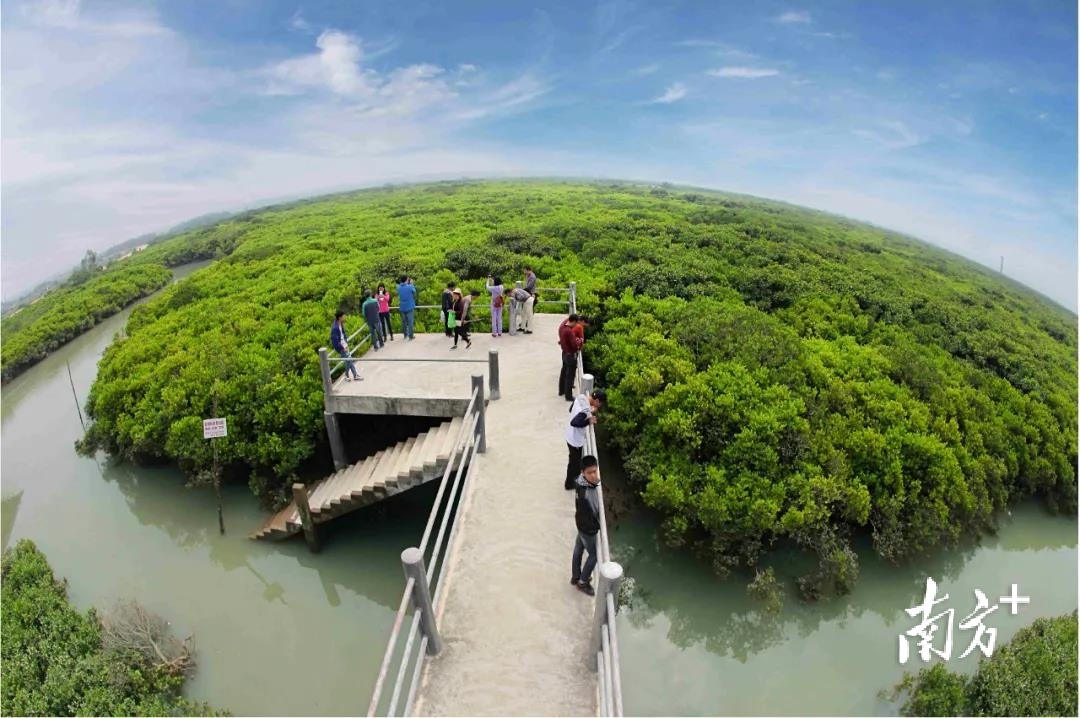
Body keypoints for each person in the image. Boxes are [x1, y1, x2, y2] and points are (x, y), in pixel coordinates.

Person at [571, 454, 602, 595]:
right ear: (583, 472)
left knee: (578, 548)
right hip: (588, 528)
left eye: (595, 471)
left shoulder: (579, 481)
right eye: (590, 473)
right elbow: (597, 511)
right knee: (594, 555)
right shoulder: (589, 492)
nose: (593, 475)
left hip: (580, 522)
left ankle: (575, 576)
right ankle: (582, 582)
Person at [565, 388, 605, 490]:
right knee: (575, 463)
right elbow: (574, 422)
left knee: (574, 461)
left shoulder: (581, 397)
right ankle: (569, 485)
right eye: (600, 404)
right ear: (596, 401)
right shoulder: (585, 410)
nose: (600, 406)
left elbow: (571, 409)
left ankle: (572, 482)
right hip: (575, 441)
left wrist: (588, 412)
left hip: (569, 435)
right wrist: (589, 421)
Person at [330, 310, 361, 381]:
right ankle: (355, 375)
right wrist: (342, 348)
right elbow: (335, 341)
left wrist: (346, 342)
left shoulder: (340, 323)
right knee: (349, 360)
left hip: (344, 344)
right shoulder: (335, 327)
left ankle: (346, 375)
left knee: (348, 361)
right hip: (341, 347)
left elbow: (343, 333)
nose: (345, 317)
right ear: (339, 317)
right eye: (344, 316)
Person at [558, 314, 583, 400]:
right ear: (574, 321)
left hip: (564, 353)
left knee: (563, 372)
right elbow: (575, 345)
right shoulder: (569, 331)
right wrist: (580, 341)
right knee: (570, 376)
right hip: (570, 355)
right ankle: (568, 396)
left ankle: (561, 390)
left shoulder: (562, 326)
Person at [397, 275, 417, 340]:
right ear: (406, 280)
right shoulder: (410, 287)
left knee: (404, 322)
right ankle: (411, 336)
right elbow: (414, 292)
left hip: (402, 307)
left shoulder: (398, 287)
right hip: (409, 306)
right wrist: (411, 284)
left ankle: (405, 334)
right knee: (410, 322)